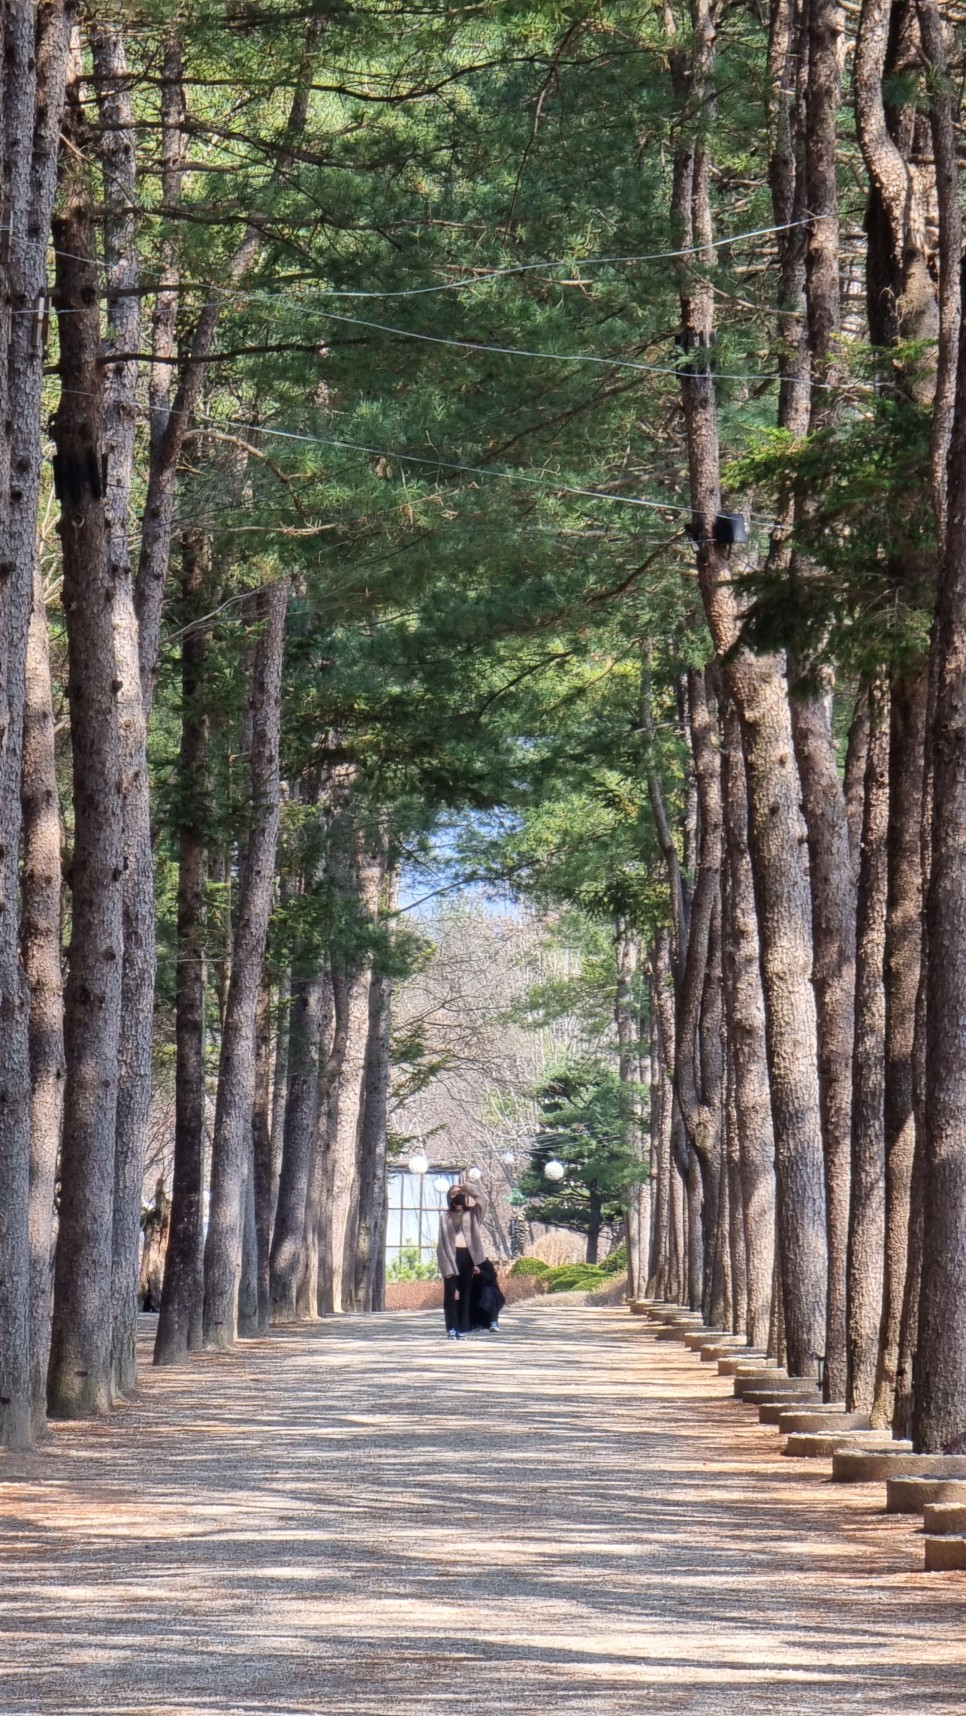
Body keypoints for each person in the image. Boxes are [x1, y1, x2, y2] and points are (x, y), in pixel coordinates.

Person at [437, 1183, 487, 1339]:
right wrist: (446, 1265)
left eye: (460, 1194)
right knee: (451, 1293)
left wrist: (465, 1188)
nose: (457, 1196)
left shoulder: (472, 1214)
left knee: (465, 1293)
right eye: (453, 1194)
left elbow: (483, 1200)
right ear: (449, 1199)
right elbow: (443, 1241)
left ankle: (462, 1328)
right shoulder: (446, 1216)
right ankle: (451, 1328)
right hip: (451, 1256)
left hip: (468, 1256)